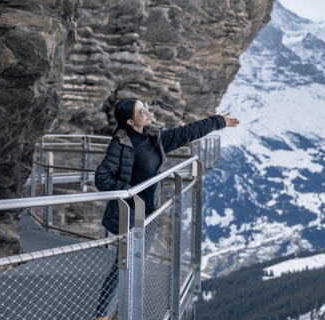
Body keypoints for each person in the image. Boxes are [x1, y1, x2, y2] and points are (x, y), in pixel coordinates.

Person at [93, 98, 239, 320]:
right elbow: (102, 177)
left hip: (150, 214)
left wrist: (219, 122)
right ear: (131, 122)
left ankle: (117, 313)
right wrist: (132, 192)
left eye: (146, 108)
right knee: (123, 264)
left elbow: (186, 133)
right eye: (142, 111)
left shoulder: (153, 138)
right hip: (131, 214)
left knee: (135, 263)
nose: (148, 113)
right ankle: (101, 315)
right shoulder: (120, 145)